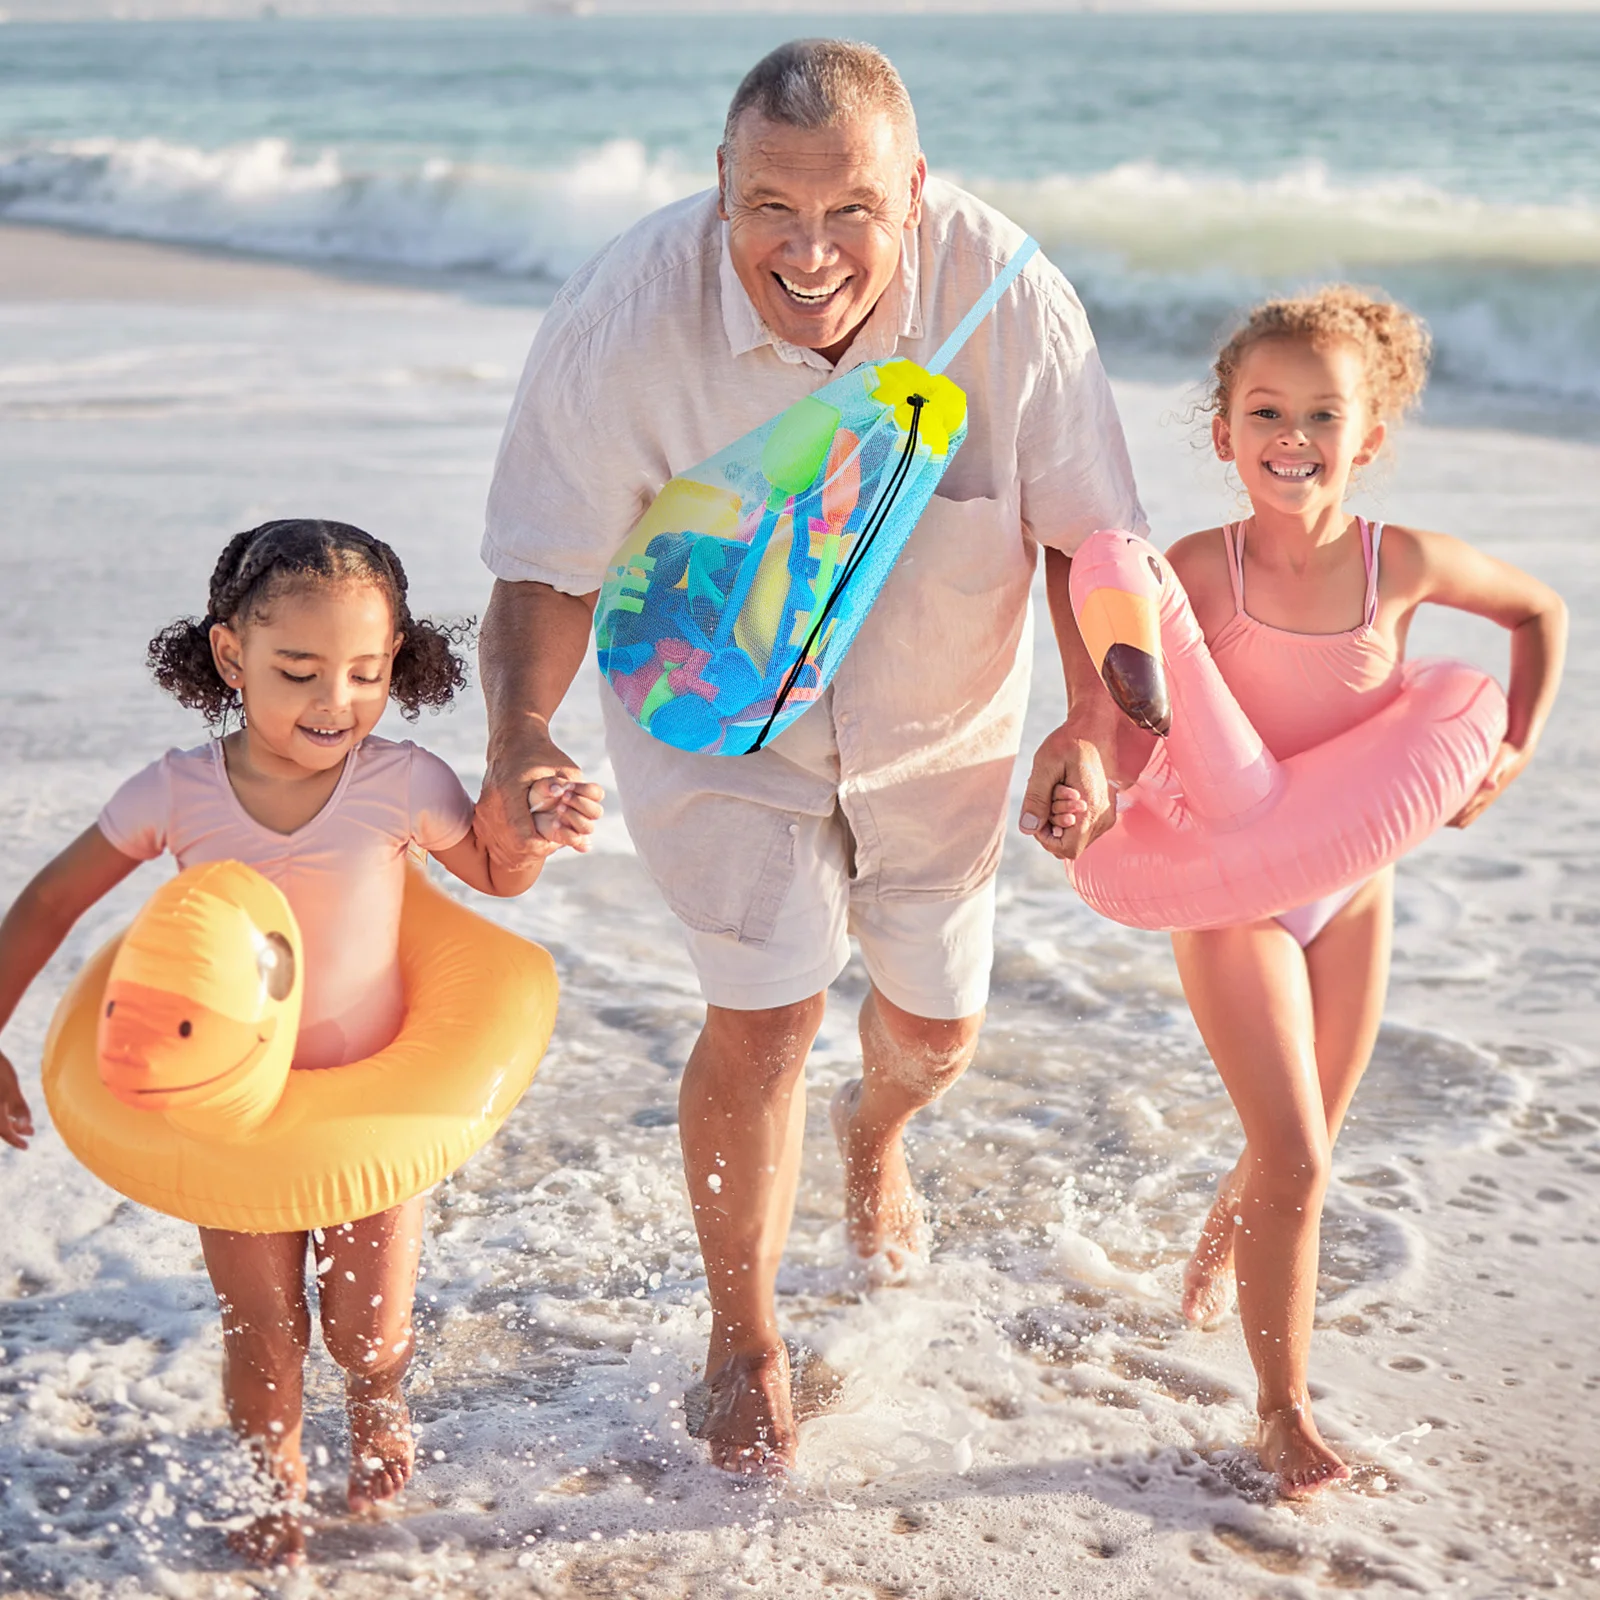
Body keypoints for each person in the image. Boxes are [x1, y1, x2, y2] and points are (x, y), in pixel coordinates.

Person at [474, 38, 1145, 1474]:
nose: (810, 249)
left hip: (938, 721)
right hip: (712, 717)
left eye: (851, 210)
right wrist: (520, 738)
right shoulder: (625, 316)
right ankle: (744, 1338)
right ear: (719, 183)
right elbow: (543, 572)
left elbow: (1095, 547)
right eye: (770, 206)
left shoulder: (1015, 301)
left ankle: (876, 1137)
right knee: (766, 1011)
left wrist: (1087, 724)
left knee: (936, 1036)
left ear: (915, 187)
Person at [1044, 288, 1566, 1496]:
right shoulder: (1193, 573)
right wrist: (1098, 792)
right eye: (1264, 410)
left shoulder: (1402, 565)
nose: (1293, 436)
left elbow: (1538, 609)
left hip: (1351, 895)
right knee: (1297, 1154)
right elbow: (1133, 727)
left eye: (1322, 415)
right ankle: (1281, 1413)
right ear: (1222, 432)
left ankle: (1226, 1241)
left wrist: (1516, 744)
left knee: (1301, 1146)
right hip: (1231, 902)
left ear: (1367, 438)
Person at [0, 518, 601, 1565]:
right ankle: (270, 1489)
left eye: (368, 672)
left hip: (372, 1104)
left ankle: (378, 1400)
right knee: (263, 1334)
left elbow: (497, 877)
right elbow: (53, 901)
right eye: (300, 670)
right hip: (235, 1110)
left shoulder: (403, 780)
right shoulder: (176, 791)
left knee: (367, 1331)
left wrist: (535, 830)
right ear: (231, 656)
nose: (337, 703)